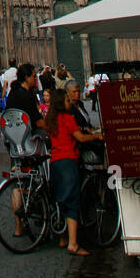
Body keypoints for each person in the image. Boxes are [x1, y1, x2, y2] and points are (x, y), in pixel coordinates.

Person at [44, 88, 104, 255]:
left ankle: (63, 238)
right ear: (61, 103)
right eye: (67, 101)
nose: (70, 103)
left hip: (54, 163)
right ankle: (73, 243)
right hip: (68, 162)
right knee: (72, 202)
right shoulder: (68, 118)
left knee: (60, 201)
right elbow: (81, 138)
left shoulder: (50, 120)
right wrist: (96, 136)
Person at [6, 63, 47, 145]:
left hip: (12, 134)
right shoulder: (26, 96)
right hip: (28, 135)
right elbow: (38, 121)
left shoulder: (13, 91)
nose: (36, 79)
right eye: (34, 76)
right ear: (26, 78)